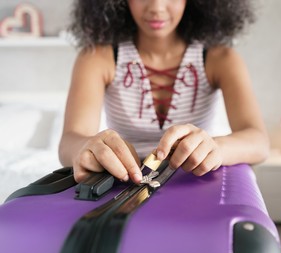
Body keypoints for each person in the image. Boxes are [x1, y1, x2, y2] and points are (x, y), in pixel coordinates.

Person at [59, 0, 269, 184]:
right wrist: (86, 148)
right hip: (123, 185)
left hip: (194, 184)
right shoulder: (96, 58)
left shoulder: (220, 58)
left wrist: (216, 147)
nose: (157, 8)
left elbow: (259, 142)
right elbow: (69, 142)